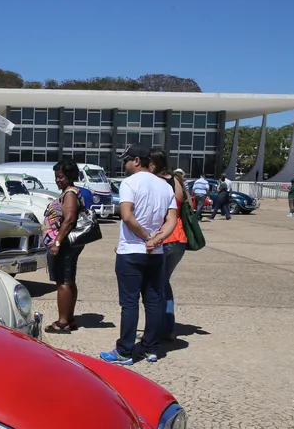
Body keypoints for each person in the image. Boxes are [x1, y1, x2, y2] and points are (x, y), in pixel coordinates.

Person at [101, 145, 178, 364]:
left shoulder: (129, 183)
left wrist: (146, 238)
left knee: (130, 302)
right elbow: (171, 220)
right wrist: (157, 240)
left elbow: (126, 215)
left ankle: (125, 350)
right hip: (156, 252)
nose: (124, 164)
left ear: (137, 161)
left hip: (132, 251)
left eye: (126, 160)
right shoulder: (165, 186)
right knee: (154, 301)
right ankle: (151, 348)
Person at [42, 159, 86, 334]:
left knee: (63, 282)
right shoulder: (70, 192)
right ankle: (69, 318)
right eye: (56, 177)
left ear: (69, 177)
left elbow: (69, 220)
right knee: (68, 280)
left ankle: (62, 322)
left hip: (64, 245)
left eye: (60, 177)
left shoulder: (70, 194)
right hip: (65, 245)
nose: (57, 180)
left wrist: (57, 242)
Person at [148, 148, 188, 340]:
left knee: (157, 284)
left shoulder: (157, 183)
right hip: (180, 238)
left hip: (164, 237)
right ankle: (168, 326)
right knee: (164, 283)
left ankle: (160, 329)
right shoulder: (176, 181)